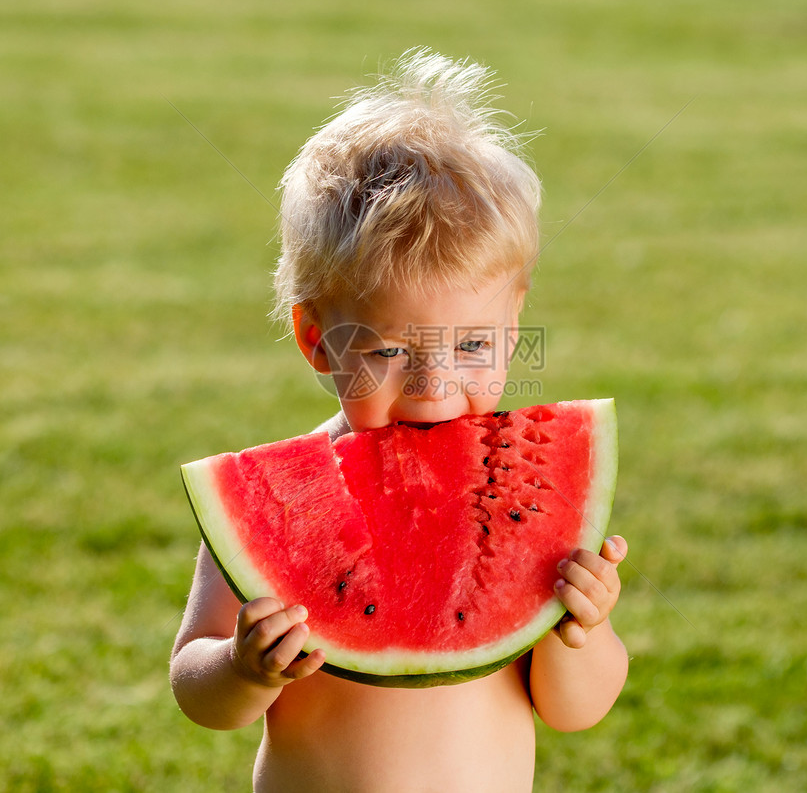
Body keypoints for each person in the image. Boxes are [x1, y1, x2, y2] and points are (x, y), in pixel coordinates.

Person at [170, 49, 629, 793]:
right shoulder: (277, 497)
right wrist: (240, 667)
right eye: (387, 351)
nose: (435, 388)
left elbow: (575, 710)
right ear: (317, 340)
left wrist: (586, 630)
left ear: (514, 327)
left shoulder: (522, 503)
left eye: (473, 345)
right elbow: (198, 690)